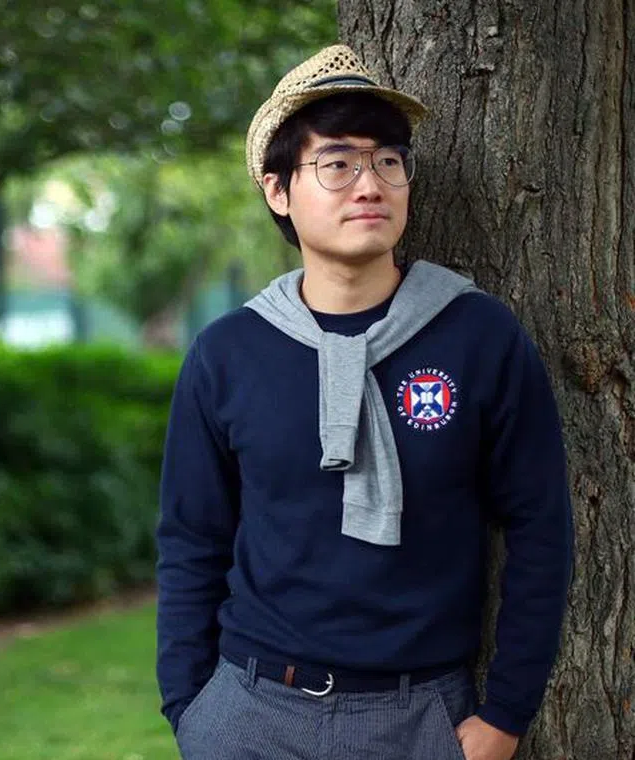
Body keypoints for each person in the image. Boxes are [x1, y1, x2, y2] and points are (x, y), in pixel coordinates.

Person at [154, 44, 574, 760]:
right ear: (278, 190)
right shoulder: (229, 354)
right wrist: (191, 707)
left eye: (388, 160)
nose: (369, 184)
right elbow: (192, 538)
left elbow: (540, 525)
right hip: (248, 711)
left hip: (420, 717)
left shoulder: (477, 334)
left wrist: (504, 715)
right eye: (337, 163)